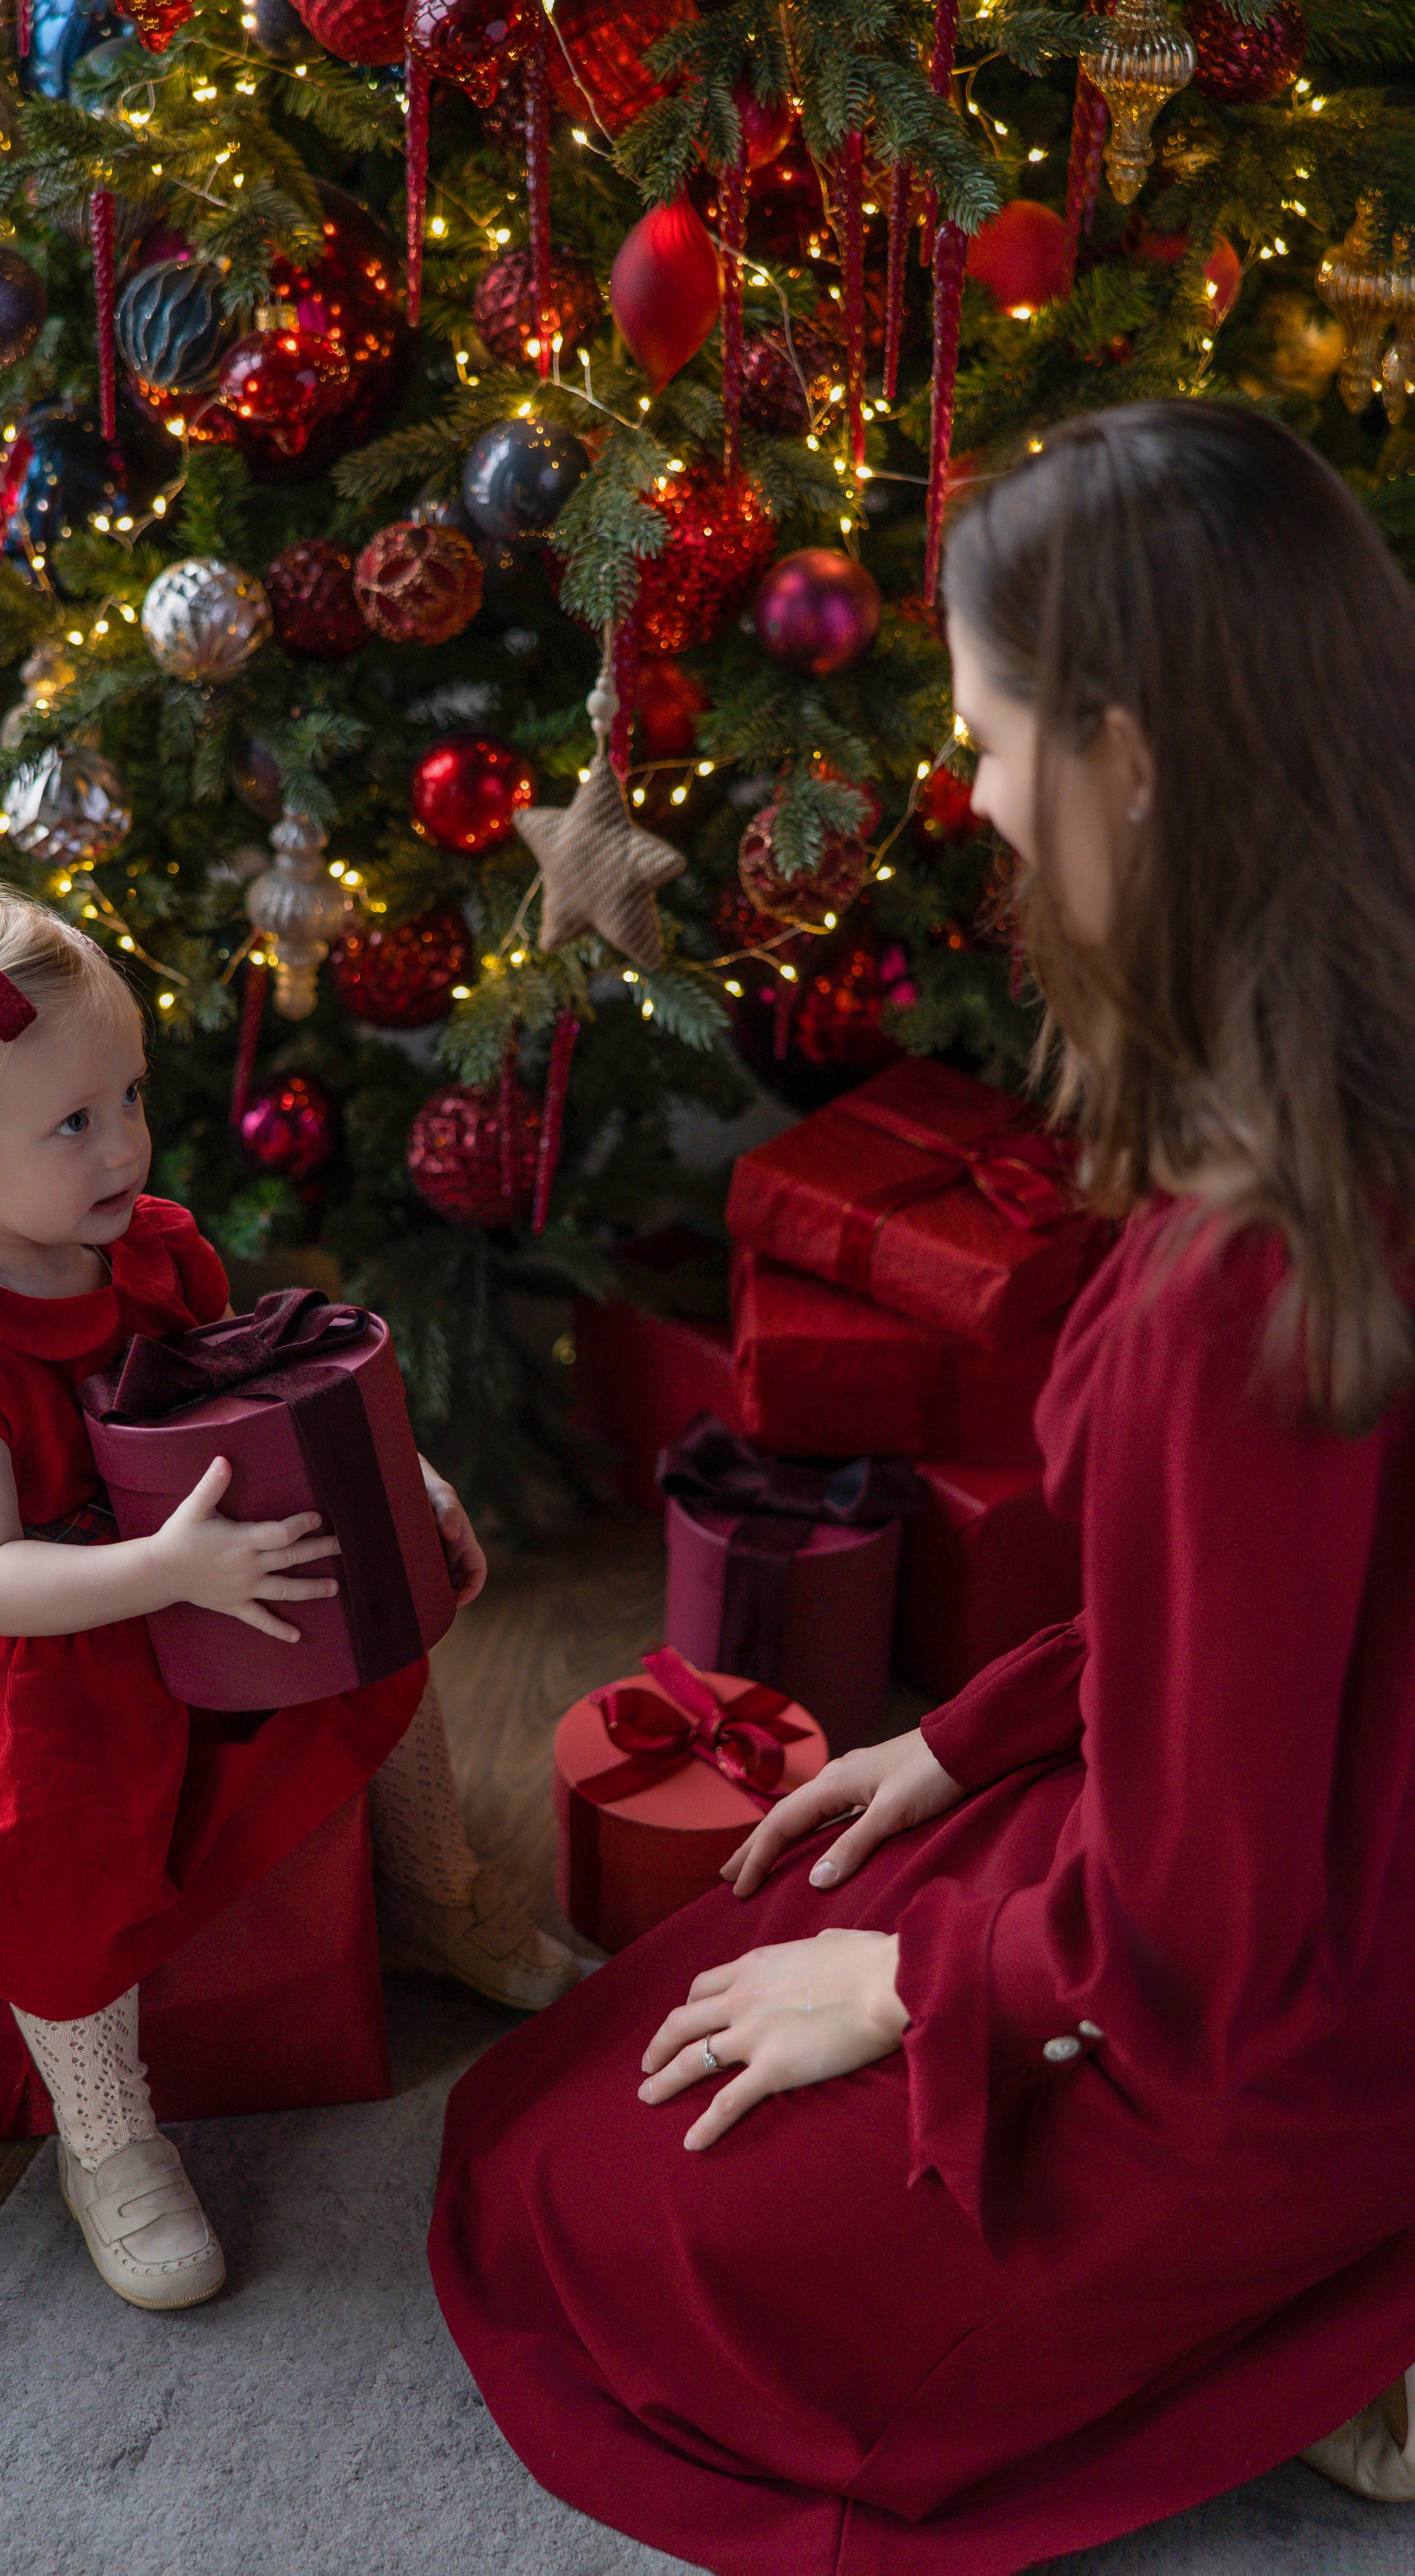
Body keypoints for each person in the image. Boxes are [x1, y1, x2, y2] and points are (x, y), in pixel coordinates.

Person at [427, 402, 1415, 2572]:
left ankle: (1332, 2295)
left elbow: (1201, 1938)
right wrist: (966, 1743)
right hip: (1334, 1847)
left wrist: (916, 1989)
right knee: (705, 1984)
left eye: (987, 741)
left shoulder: (1245, 1281)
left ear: (1127, 760)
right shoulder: (1353, 1087)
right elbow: (1268, 1630)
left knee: (594, 2215)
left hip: (1297, 1993)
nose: (973, 798)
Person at [0, 883, 578, 2313]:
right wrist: (168, 1571)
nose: (123, 1144)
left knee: (373, 1631)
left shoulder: (148, 1244)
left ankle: (433, 1891)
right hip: (25, 1643)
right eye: (71, 1123)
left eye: (130, 1098)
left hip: (176, 1567)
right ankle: (105, 2135)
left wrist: (394, 1478)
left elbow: (253, 1393)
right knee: (52, 1842)